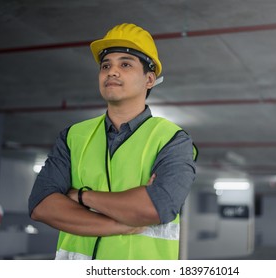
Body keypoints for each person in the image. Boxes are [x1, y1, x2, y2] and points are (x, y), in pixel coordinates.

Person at [28, 23, 197, 260]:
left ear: (149, 79)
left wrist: (80, 196)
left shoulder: (172, 140)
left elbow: (155, 208)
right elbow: (41, 206)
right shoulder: (73, 136)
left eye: (125, 64)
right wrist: (121, 225)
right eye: (106, 65)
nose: (112, 71)